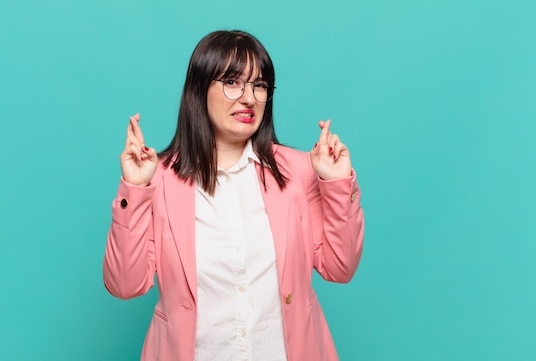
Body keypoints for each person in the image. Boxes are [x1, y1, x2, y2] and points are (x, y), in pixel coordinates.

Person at [103, 30, 364, 361]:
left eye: (259, 85)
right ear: (200, 89)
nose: (249, 98)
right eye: (232, 82)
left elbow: (339, 268)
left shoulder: (298, 171)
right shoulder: (161, 178)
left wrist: (338, 183)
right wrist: (135, 190)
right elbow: (125, 284)